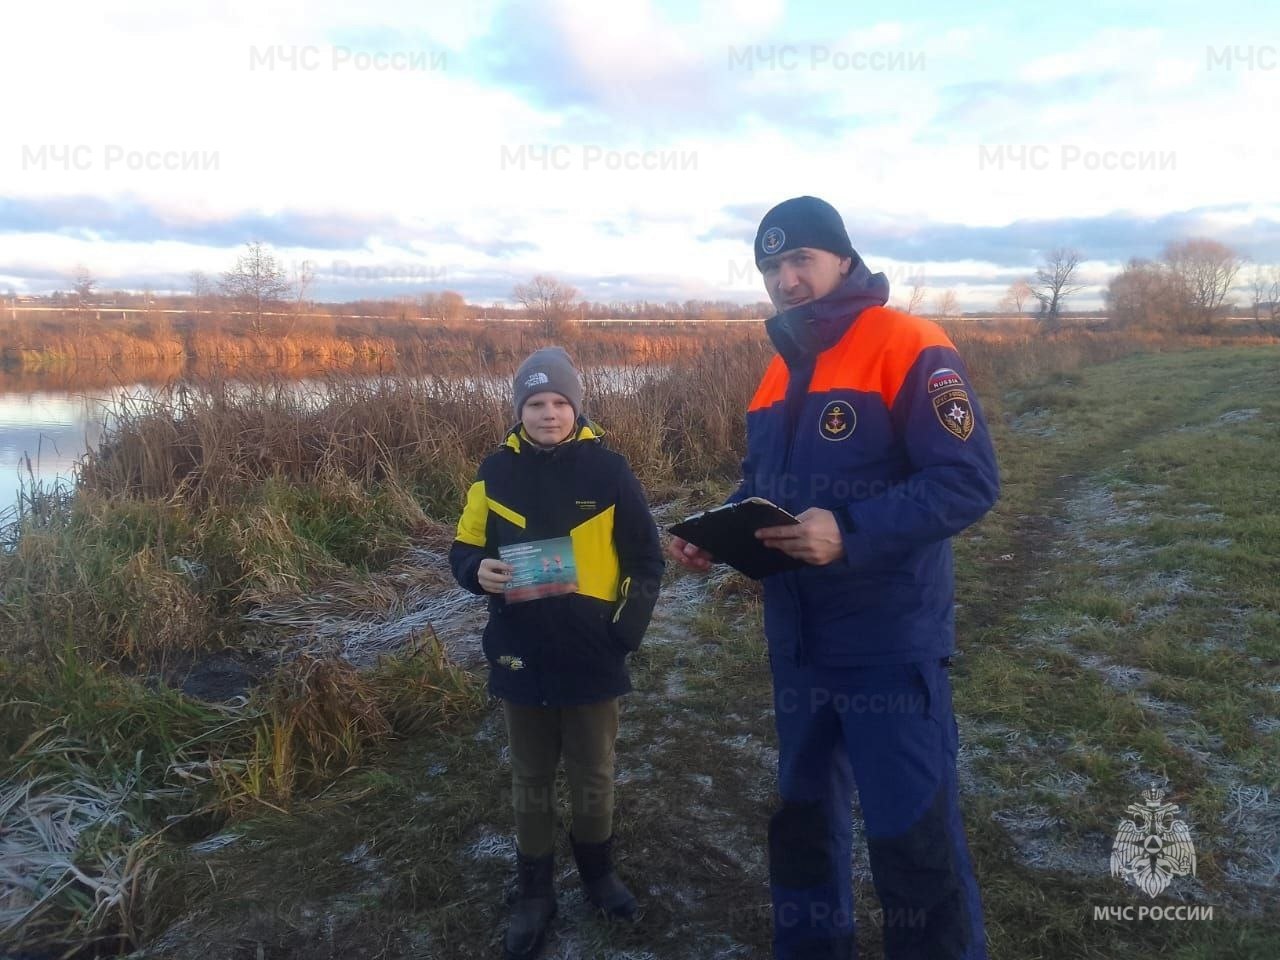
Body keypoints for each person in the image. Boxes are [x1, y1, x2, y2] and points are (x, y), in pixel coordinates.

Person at [669, 197, 999, 959]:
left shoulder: (909, 343)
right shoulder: (774, 371)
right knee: (803, 827)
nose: (785, 280)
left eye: (799, 262)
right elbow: (763, 483)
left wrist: (848, 535)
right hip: (796, 643)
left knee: (911, 838)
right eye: (770, 268)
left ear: (842, 259)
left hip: (888, 639)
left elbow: (967, 481)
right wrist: (718, 534)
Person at [450, 346, 664, 960]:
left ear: (577, 407)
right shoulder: (494, 472)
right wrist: (476, 572)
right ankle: (534, 891)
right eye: (536, 403)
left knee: (593, 771)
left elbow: (647, 561)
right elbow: (463, 547)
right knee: (531, 775)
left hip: (593, 653)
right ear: (520, 410)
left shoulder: (611, 472)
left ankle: (598, 874)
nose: (548, 413)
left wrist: (625, 634)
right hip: (520, 650)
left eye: (560, 403)